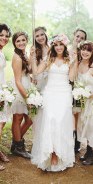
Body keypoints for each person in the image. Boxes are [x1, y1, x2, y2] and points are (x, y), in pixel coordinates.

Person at [30, 34, 76, 171]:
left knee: (61, 121)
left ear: (65, 46)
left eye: (61, 44)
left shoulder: (70, 60)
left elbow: (72, 78)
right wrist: (32, 57)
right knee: (50, 119)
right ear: (53, 46)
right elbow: (36, 72)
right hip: (50, 93)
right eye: (56, 45)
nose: (59, 47)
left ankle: (60, 153)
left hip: (64, 93)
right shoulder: (48, 59)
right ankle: (51, 153)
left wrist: (76, 61)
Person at [10, 31, 32, 159]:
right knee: (18, 119)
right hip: (19, 89)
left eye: (23, 40)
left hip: (27, 86)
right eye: (18, 41)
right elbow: (18, 81)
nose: (21, 43)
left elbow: (30, 71)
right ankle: (18, 146)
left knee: (29, 119)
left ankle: (16, 142)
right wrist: (27, 98)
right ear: (14, 43)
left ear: (26, 40)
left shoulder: (24, 54)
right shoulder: (17, 58)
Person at [68, 28, 87, 153]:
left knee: (78, 115)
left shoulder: (84, 52)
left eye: (82, 38)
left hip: (79, 85)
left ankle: (77, 142)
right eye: (78, 36)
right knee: (69, 113)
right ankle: (69, 138)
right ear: (73, 36)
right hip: (67, 84)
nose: (79, 39)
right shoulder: (66, 50)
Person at [0, 24, 11, 170]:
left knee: (1, 123)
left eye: (6, 36)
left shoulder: (1, 51)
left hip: (2, 90)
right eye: (1, 35)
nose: (4, 38)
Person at [30, 27, 49, 92]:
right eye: (37, 36)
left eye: (42, 34)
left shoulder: (50, 47)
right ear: (34, 39)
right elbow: (32, 68)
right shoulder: (34, 50)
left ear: (45, 35)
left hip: (49, 77)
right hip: (39, 78)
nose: (40, 37)